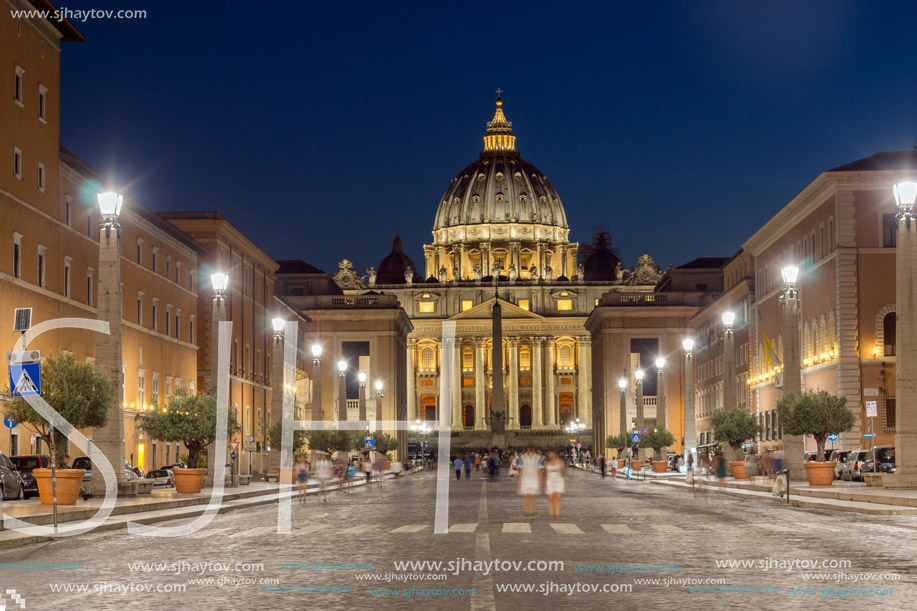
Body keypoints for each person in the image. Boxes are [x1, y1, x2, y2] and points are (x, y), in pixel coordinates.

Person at [518, 447, 541, 520]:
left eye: (530, 449)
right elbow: (520, 469)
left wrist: (540, 478)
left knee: (533, 496)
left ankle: (533, 511)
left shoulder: (538, 457)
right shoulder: (522, 457)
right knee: (526, 496)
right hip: (525, 478)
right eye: (527, 449)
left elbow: (541, 468)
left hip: (534, 478)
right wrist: (519, 479)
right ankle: (527, 512)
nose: (529, 451)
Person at [544, 450, 566, 519]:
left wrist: (562, 467)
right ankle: (551, 513)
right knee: (550, 498)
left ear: (555, 454)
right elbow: (545, 472)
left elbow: (563, 470)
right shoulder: (546, 462)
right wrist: (543, 481)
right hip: (550, 481)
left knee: (558, 497)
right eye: (549, 453)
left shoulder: (559, 461)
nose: (551, 454)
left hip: (559, 481)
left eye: (552, 453)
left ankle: (557, 513)